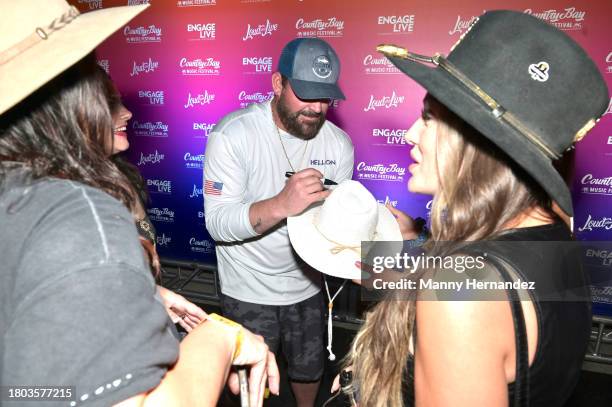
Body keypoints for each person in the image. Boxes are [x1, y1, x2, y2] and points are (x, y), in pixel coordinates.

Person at [0, 1, 278, 406]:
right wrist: (223, 338)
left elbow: (33, 393)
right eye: (91, 74)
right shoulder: (76, 213)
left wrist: (139, 295)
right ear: (74, 97)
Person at [335, 10, 609, 407]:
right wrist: (403, 255)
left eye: (428, 117)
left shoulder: (463, 296)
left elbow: (472, 299)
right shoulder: (555, 227)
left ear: (477, 141)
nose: (411, 133)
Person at [204, 37, 354, 406]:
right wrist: (282, 204)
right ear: (277, 84)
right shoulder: (233, 134)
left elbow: (336, 229)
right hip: (247, 287)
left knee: (309, 368)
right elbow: (218, 224)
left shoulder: (339, 144)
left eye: (325, 97)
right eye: (306, 94)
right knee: (252, 382)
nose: (317, 108)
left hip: (307, 285)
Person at [106, 73, 206, 332]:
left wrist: (156, 294)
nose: (127, 113)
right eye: (111, 104)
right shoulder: (76, 198)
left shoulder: (122, 176)